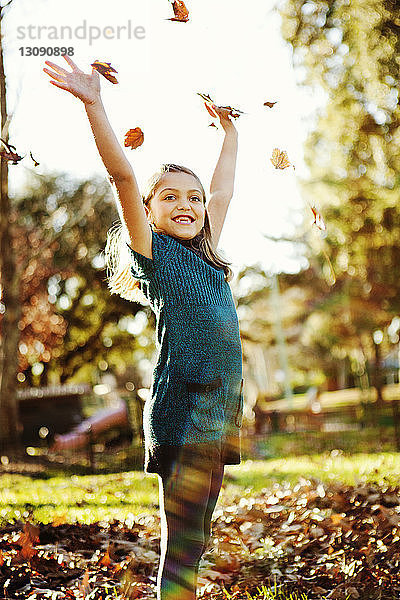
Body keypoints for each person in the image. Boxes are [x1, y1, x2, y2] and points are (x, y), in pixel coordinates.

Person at [43, 55, 244, 600]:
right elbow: (123, 176)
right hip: (182, 412)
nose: (187, 204)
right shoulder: (157, 257)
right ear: (150, 213)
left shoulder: (210, 254)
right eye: (170, 196)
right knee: (182, 539)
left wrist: (228, 136)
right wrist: (94, 103)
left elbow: (222, 191)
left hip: (220, 411)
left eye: (192, 197)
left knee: (197, 537)